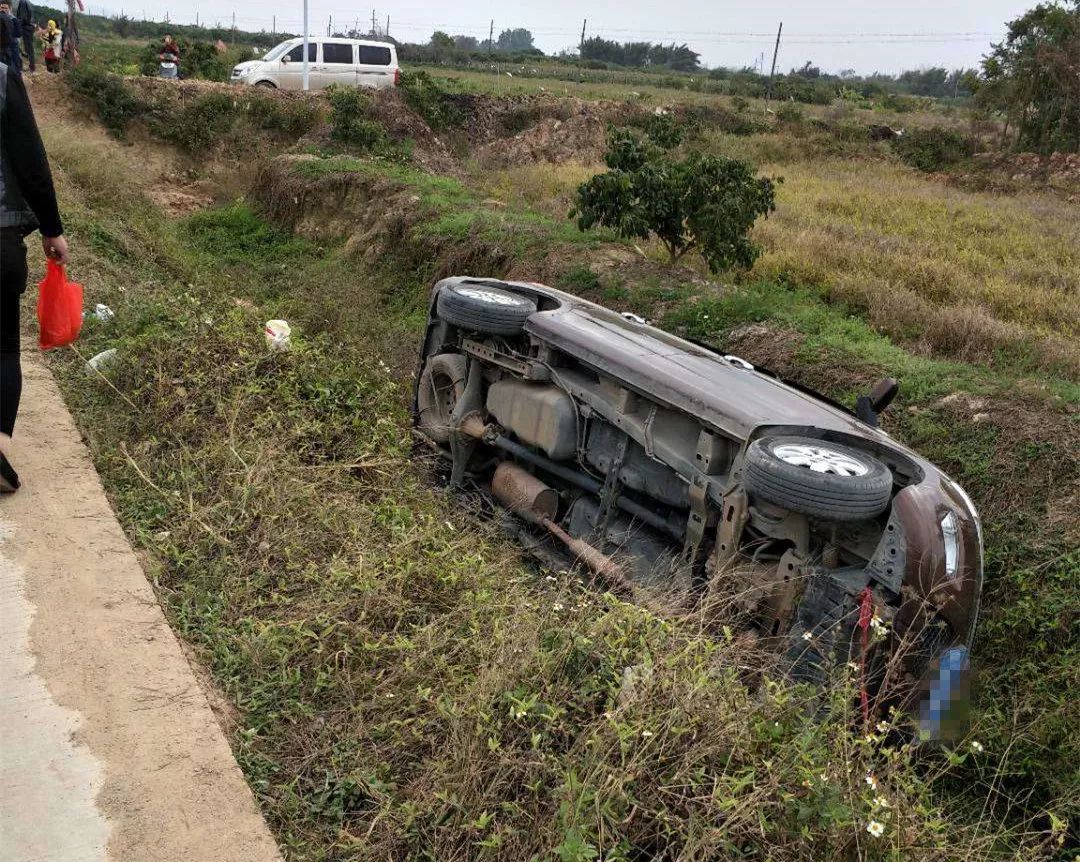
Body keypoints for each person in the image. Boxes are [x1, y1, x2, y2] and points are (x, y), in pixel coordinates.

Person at [1, 31, 70, 492]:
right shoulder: (3, 80)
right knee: (3, 345)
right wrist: (52, 229)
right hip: (0, 238)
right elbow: (30, 162)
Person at [0, 1, 21, 72]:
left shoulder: (14, 20)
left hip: (12, 45)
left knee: (14, 63)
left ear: (10, 9)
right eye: (2, 8)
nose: (3, 10)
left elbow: (18, 34)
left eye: (6, 8)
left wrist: (8, 33)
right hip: (2, 46)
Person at [11, 0, 31, 72]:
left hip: (16, 30)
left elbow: (22, 18)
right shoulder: (23, 3)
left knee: (16, 50)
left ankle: (19, 68)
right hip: (16, 30)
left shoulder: (22, 3)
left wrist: (16, 26)